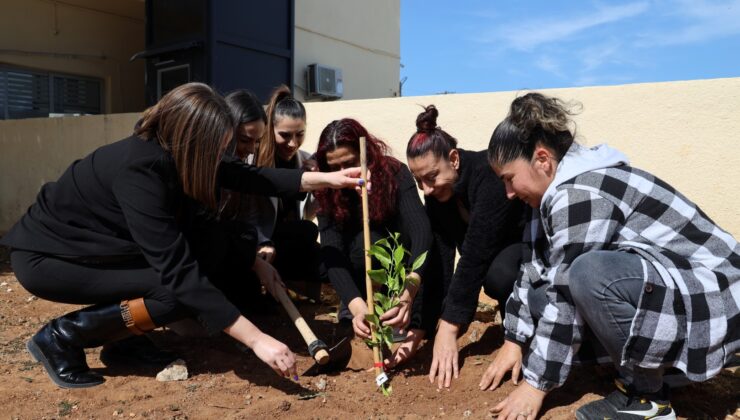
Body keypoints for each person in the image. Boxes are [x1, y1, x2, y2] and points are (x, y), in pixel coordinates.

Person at [0, 82, 363, 389]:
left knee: (224, 244)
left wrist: (328, 179)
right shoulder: (140, 172)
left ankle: (123, 340)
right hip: (50, 258)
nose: (224, 155)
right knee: (179, 291)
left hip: (103, 246)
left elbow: (251, 177)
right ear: (194, 137)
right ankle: (63, 337)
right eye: (220, 146)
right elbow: (178, 272)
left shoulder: (178, 151)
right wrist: (258, 340)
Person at [482, 92, 740, 419]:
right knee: (539, 296)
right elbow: (532, 267)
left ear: (542, 159)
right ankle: (671, 366)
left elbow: (565, 297)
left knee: (587, 274)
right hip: (685, 294)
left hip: (717, 298)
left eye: (509, 179)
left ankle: (647, 396)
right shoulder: (551, 192)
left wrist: (536, 385)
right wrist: (514, 339)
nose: (508, 192)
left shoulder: (578, 194)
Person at [405, 105, 525, 389]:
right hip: (494, 258)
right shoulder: (437, 198)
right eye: (418, 180)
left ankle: (521, 338)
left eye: (432, 176)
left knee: (499, 275)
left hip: (529, 251)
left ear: (454, 159)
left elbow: (474, 253)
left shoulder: (489, 174)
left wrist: (450, 326)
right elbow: (440, 260)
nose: (427, 189)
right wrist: (420, 327)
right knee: (493, 270)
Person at [315, 118, 434, 367]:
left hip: (399, 271)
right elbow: (332, 253)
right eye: (335, 167)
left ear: (366, 153)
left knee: (380, 242)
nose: (345, 173)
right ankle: (359, 311)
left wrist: (408, 292)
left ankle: (394, 311)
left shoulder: (395, 174)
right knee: (360, 247)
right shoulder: (326, 188)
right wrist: (357, 306)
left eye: (350, 163)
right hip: (359, 271)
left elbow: (422, 231)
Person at [242, 85, 321, 298]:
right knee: (307, 233)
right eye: (285, 135)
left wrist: (317, 183)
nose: (292, 143)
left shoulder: (304, 159)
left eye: (300, 134)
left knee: (312, 239)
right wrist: (262, 242)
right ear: (270, 130)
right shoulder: (253, 160)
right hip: (257, 240)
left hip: (288, 241)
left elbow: (310, 214)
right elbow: (245, 214)